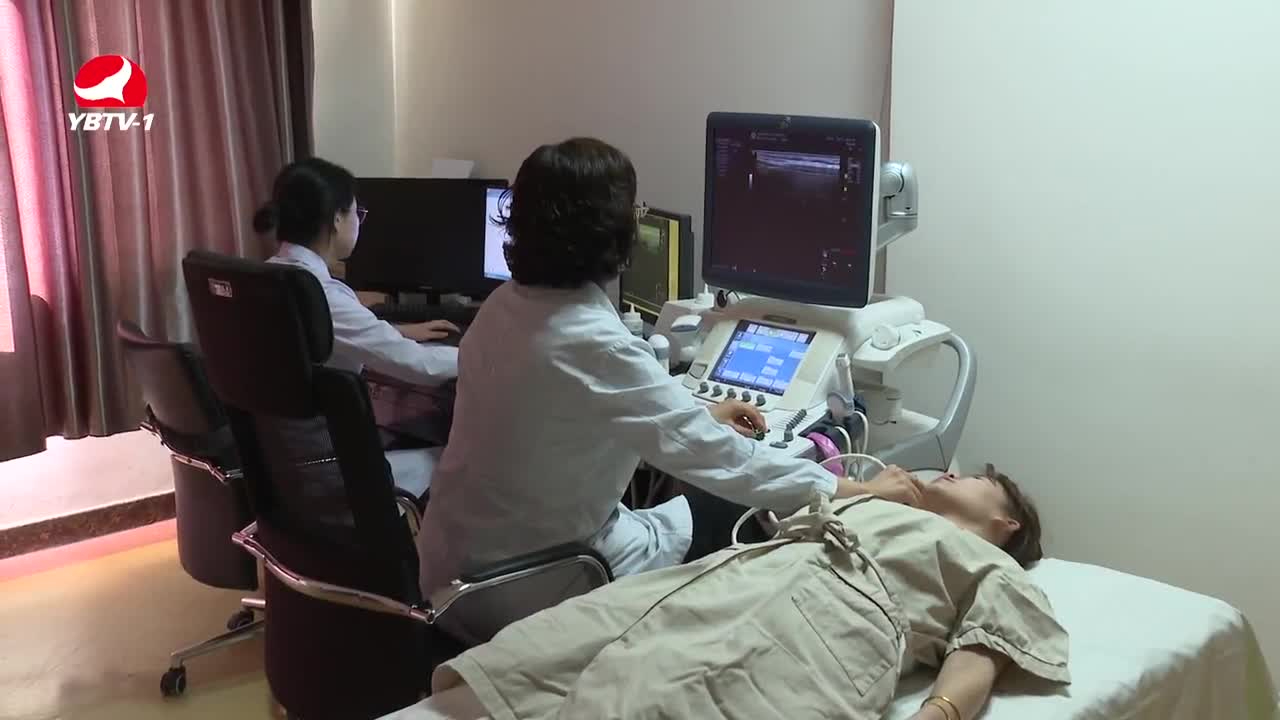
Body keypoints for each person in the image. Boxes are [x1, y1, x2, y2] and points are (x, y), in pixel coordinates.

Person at [415, 138, 882, 597]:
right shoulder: (597, 345)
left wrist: (698, 417)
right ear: (612, 234)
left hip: (449, 565)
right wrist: (855, 488)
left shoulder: (502, 308)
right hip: (529, 582)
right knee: (738, 510)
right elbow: (728, 462)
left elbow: (563, 423)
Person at [432, 464, 1068, 720]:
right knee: (535, 655)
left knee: (668, 693)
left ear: (1006, 523)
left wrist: (938, 714)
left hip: (833, 614)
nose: (952, 472)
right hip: (733, 575)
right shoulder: (883, 504)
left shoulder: (993, 564)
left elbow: (986, 645)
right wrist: (868, 490)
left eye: (977, 478)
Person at [253, 157, 458, 497]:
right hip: (330, 470)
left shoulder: (268, 277)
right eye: (356, 213)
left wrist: (394, 332)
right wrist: (484, 353)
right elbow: (421, 366)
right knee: (458, 457)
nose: (358, 223)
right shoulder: (321, 295)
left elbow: (327, 336)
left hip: (285, 462)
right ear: (337, 218)